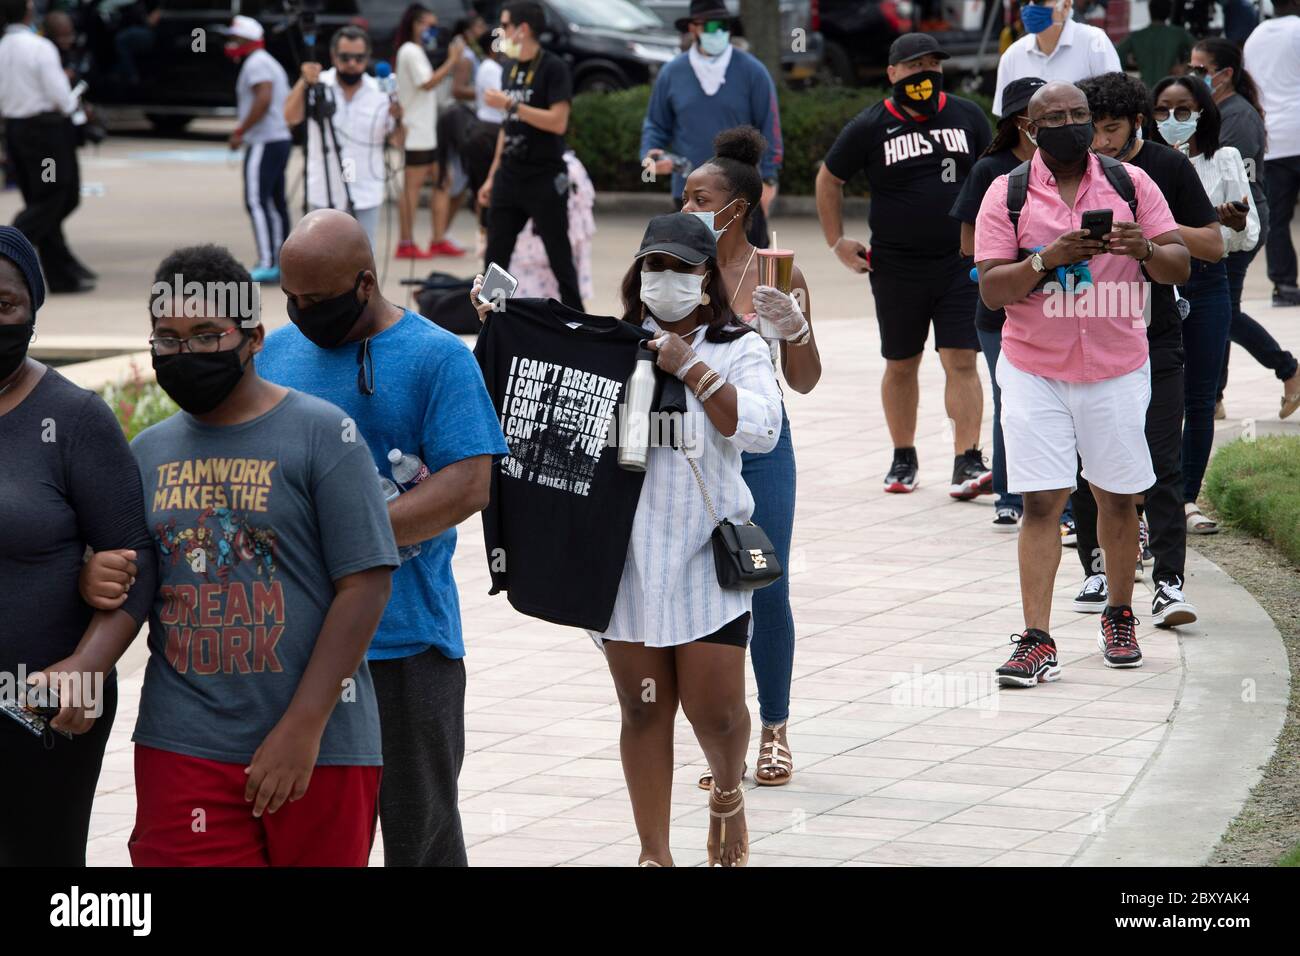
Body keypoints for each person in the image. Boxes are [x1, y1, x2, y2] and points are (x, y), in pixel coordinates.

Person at [470, 212, 780, 866]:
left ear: (708, 277)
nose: (665, 281)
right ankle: (653, 854)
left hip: (703, 555)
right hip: (623, 559)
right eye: (654, 268)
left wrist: (692, 368)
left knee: (715, 711)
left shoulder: (739, 347)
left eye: (681, 269)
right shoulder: (612, 347)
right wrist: (499, 322)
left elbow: (761, 431)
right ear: (637, 275)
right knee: (643, 711)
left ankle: (727, 789)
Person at [77, 245, 398, 866]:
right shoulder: (145, 454)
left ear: (253, 337)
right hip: (184, 742)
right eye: (166, 338)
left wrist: (302, 730)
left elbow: (366, 585)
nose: (184, 352)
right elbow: (130, 577)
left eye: (205, 334)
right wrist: (95, 574)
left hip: (322, 745)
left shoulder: (323, 435)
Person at [258, 209, 507, 867]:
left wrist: (344, 540)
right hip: (292, 644)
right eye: (294, 298)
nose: (304, 311)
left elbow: (469, 485)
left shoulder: (438, 356)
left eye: (318, 299)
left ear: (365, 282)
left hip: (406, 645)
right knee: (308, 836)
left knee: (419, 835)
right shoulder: (278, 352)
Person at [974, 82, 1188, 684]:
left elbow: (1179, 266)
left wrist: (1144, 247)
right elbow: (992, 289)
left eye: (1079, 115)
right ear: (1029, 128)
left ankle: (1119, 614)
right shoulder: (1006, 193)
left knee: (1117, 496)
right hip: (1033, 367)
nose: (1070, 124)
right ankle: (1036, 639)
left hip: (1117, 365)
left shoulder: (1130, 183)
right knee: (1042, 500)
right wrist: (1047, 258)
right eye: (1055, 117)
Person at [0, 225, 157, 866]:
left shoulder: (74, 419)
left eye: (4, 304)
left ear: (33, 312)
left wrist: (89, 666)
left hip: (41, 705)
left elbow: (136, 562)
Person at [681, 127, 820, 790]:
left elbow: (806, 379)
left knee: (765, 581)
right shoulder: (674, 271)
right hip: (694, 448)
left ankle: (776, 730)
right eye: (683, 197)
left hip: (763, 449)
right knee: (709, 589)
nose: (688, 209)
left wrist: (797, 328)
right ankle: (725, 744)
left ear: (739, 204)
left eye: (701, 198)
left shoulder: (776, 272)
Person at [816, 32, 993, 497]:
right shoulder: (871, 125)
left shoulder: (968, 115)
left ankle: (967, 459)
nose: (925, 75)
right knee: (901, 362)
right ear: (893, 73)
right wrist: (836, 241)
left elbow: (999, 174)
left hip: (959, 262)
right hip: (895, 265)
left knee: (961, 358)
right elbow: (829, 178)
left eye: (933, 66)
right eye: (914, 67)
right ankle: (903, 456)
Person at [1076, 70, 1223, 627]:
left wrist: (1154, 233)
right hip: (1084, 334)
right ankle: (1096, 568)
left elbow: (1210, 244)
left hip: (1154, 334)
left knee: (1163, 464)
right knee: (1089, 466)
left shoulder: (1166, 167)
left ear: (1138, 121)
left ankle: (1168, 584)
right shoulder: (1069, 172)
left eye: (1111, 129)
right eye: (1092, 129)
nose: (1100, 142)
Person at [1150, 76, 1257, 535]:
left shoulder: (1225, 158)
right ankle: (1149, 495)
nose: (1172, 120)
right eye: (1162, 111)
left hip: (1208, 280)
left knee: (1200, 397)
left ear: (1202, 112)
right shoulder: (1143, 163)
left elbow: (1246, 236)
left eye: (1183, 110)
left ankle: (1186, 499)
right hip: (1155, 282)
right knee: (1153, 394)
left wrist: (1230, 223)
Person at [952, 77, 1044, 532]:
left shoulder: (1071, 167)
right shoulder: (991, 171)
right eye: (1039, 115)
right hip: (1000, 312)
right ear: (1019, 122)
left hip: (1059, 308)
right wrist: (1031, 257)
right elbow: (969, 244)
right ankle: (1008, 494)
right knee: (1012, 398)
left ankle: (1060, 501)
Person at [1193, 37, 1300, 419]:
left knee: (1224, 312)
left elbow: (1229, 182)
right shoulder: (1215, 109)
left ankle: (1289, 370)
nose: (1194, 76)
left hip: (1238, 223)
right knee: (1220, 311)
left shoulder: (1236, 117)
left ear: (1225, 74)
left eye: (1201, 70)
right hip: (1218, 223)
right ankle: (1214, 399)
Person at [639, 0, 783, 250]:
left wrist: (769, 180)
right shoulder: (672, 73)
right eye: (711, 25)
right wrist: (650, 156)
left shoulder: (753, 71)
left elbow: (770, 128)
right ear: (693, 28)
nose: (718, 32)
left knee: (750, 273)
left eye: (724, 25)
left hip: (742, 193)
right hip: (690, 194)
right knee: (694, 270)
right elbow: (655, 124)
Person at [477, 2, 582, 310]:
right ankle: (490, 322)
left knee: (559, 257)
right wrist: (491, 176)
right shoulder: (508, 66)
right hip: (509, 173)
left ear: (522, 29)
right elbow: (506, 129)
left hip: (544, 175)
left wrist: (511, 105)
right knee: (495, 257)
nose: (501, 31)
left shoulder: (553, 67)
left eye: (505, 25)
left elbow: (558, 121)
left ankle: (578, 324)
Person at [0, 0, 93, 293]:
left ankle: (62, 271)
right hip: (45, 135)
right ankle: (9, 246)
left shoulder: (2, 47)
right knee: (56, 195)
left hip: (16, 131)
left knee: (44, 199)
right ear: (28, 13)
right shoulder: (39, 47)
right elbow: (61, 97)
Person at [283, 26, 399, 250]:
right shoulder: (318, 84)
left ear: (367, 57)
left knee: (363, 261)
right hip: (324, 191)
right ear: (334, 56)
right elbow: (290, 116)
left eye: (359, 57)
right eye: (345, 57)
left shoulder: (381, 91)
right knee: (323, 259)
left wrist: (400, 117)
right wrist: (303, 83)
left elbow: (397, 141)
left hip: (366, 190)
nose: (352, 63)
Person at [393, 4, 463, 260]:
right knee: (412, 187)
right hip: (417, 131)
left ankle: (438, 238)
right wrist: (452, 61)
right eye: (429, 25)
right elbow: (427, 82)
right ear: (416, 24)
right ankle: (405, 242)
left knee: (444, 180)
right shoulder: (410, 50)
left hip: (426, 131)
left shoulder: (416, 50)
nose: (433, 31)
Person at [225, 16, 292, 284]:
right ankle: (280, 260)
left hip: (265, 140)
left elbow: (263, 97)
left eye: (235, 37)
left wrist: (241, 130)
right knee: (275, 202)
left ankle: (268, 261)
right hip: (278, 138)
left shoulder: (256, 63)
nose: (231, 42)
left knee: (257, 200)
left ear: (246, 39)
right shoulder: (266, 61)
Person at [1244, 0, 1300, 307]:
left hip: (1274, 140)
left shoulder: (1255, 36)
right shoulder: (1297, 30)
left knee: (1277, 218)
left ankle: (1284, 286)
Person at [992, 0, 1120, 117]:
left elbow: (1118, 104)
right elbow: (1005, 120)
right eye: (1024, 1)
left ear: (1065, 6)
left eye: (1039, 1)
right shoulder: (1012, 56)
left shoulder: (1094, 42)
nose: (1030, 6)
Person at [1115, 0, 1193, 89]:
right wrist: (1184, 67)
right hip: (1169, 88)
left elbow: (1116, 53)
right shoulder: (1178, 34)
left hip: (1145, 88)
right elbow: (1199, 48)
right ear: (1169, 12)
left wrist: (1125, 77)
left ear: (1149, 11)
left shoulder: (1137, 36)